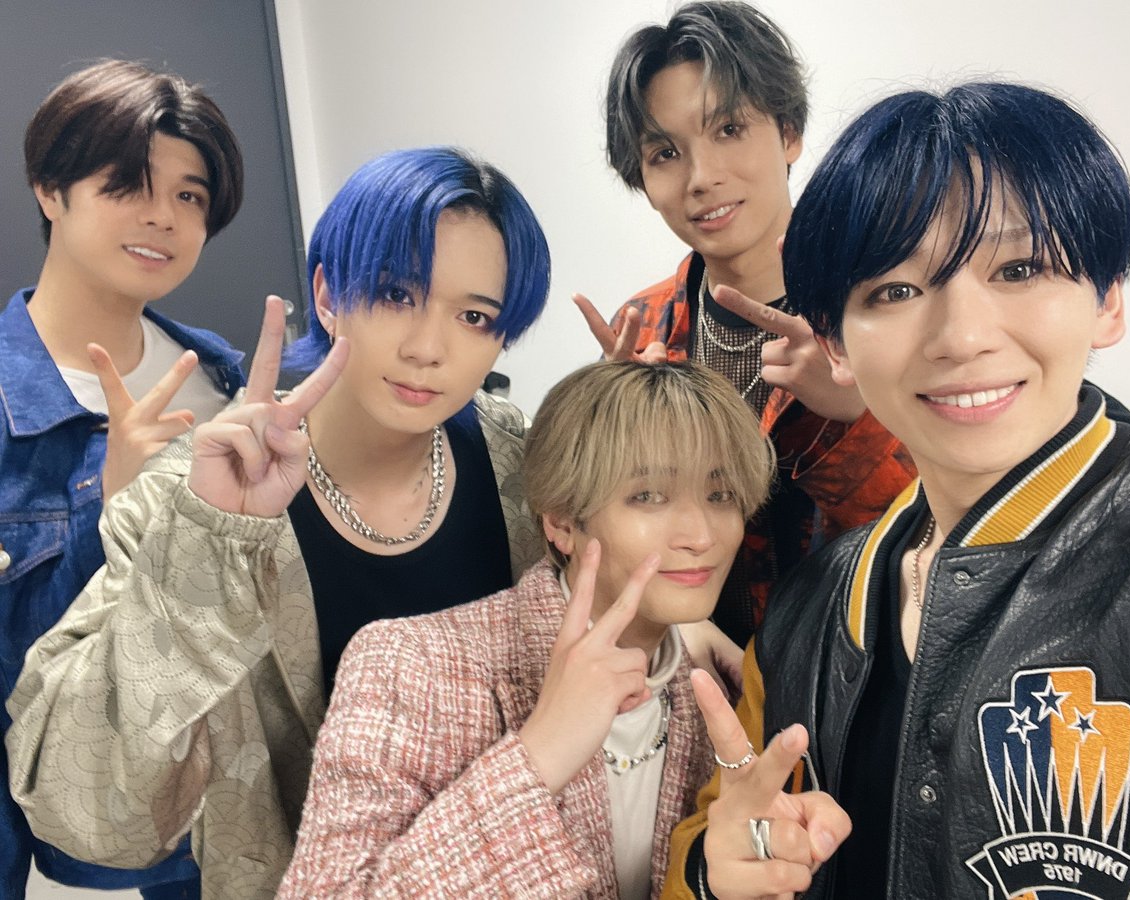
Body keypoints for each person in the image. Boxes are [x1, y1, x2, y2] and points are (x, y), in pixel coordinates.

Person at [667, 81, 1130, 899]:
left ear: (1108, 301)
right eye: (895, 290)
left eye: (1019, 269)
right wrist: (715, 873)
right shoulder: (809, 610)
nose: (961, 337)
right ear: (835, 345)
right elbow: (725, 836)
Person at [6, 146, 551, 899]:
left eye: (473, 316)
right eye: (396, 294)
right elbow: (92, 821)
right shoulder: (195, 497)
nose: (428, 348)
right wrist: (206, 552)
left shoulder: (520, 464)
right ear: (327, 295)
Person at [277, 359, 775, 898]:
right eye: (649, 496)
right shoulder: (411, 664)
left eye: (720, 496)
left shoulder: (720, 691)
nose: (701, 535)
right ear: (561, 521)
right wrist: (542, 751)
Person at [575, 1, 914, 647]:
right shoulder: (644, 326)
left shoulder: (885, 307)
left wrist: (853, 415)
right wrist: (618, 440)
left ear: (789, 132)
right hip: (689, 681)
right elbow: (598, 545)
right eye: (665, 153)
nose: (702, 178)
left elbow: (944, 547)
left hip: (850, 679)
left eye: (729, 129)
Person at [0, 59, 246, 898]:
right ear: (50, 189)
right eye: (126, 184)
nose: (162, 216)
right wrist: (111, 512)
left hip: (228, 816)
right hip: (76, 834)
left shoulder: (226, 381)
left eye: (190, 195)